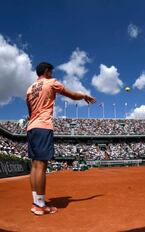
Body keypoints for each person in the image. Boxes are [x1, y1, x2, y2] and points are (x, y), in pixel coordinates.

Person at [26, 62, 96, 216]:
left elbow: (30, 110)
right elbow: (72, 95)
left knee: (34, 165)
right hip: (43, 126)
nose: (52, 73)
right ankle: (41, 205)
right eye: (51, 71)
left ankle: (35, 201)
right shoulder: (51, 82)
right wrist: (84, 95)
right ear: (46, 71)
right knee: (41, 166)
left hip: (31, 127)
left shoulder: (29, 89)